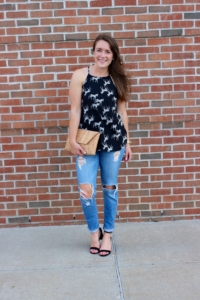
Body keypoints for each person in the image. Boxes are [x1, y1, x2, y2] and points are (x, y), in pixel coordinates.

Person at [68, 34, 132, 257]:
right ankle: (94, 233)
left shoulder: (118, 79)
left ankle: (109, 235)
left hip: (114, 140)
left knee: (109, 188)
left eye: (108, 51)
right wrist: (72, 139)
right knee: (86, 190)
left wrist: (128, 143)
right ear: (93, 51)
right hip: (86, 140)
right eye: (99, 50)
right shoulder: (80, 76)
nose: (103, 55)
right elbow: (75, 110)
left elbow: (122, 112)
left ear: (113, 55)